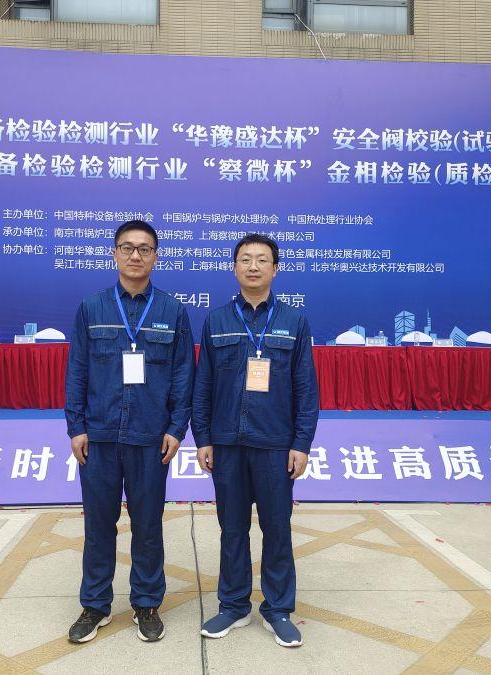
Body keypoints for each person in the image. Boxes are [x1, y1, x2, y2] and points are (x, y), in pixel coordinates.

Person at [65, 219, 195, 643]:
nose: (135, 255)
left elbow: (183, 374)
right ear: (115, 254)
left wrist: (176, 428)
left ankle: (146, 603)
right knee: (98, 526)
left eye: (144, 249)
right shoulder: (92, 308)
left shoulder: (172, 311)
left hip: (151, 438)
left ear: (156, 257)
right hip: (99, 437)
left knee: (148, 525)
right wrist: (76, 426)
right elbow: (78, 369)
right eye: (127, 247)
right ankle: (95, 605)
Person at [192, 233, 318, 648]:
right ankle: (233, 604)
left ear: (275, 269)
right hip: (227, 442)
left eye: (262, 259)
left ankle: (278, 608)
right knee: (232, 528)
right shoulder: (216, 321)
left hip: (275, 444)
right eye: (245, 259)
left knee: (277, 528)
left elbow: (306, 389)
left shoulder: (294, 321)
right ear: (234, 267)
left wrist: (301, 443)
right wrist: (203, 438)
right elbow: (203, 384)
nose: (253, 266)